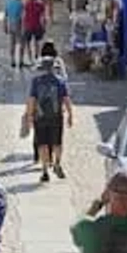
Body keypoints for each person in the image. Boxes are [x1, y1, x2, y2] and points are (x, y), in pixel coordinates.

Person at [27, 44, 74, 181]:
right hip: (56, 116)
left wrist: (29, 116)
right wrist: (70, 115)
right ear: (54, 68)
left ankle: (44, 170)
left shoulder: (36, 82)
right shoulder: (60, 81)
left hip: (40, 117)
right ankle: (57, 163)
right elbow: (66, 99)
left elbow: (32, 100)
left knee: (42, 144)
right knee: (57, 143)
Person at [21, 0, 46, 67]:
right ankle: (37, 56)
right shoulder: (41, 5)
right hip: (37, 26)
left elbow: (24, 15)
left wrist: (23, 25)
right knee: (37, 42)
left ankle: (30, 58)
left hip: (28, 26)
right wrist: (44, 26)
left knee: (28, 43)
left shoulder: (26, 4)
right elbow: (43, 17)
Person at [3, 0, 25, 68]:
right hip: (19, 25)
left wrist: (5, 26)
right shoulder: (21, 4)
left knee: (12, 43)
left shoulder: (8, 3)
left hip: (11, 25)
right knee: (21, 44)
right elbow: (23, 17)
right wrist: (24, 27)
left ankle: (12, 60)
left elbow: (5, 16)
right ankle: (21, 60)